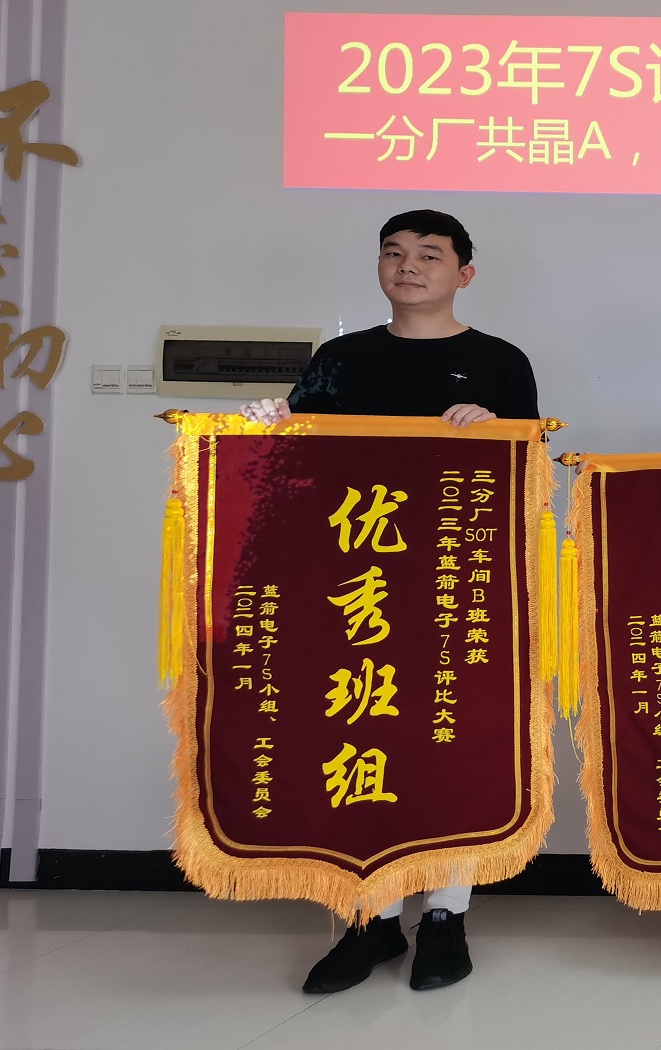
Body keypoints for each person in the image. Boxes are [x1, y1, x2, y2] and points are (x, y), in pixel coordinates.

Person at [238, 209, 539, 994]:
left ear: (464, 273)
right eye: (394, 253)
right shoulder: (339, 360)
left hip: (451, 589)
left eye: (429, 255)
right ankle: (369, 918)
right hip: (352, 590)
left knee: (449, 742)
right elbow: (292, 472)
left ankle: (445, 916)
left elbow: (527, 478)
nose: (408, 266)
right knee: (358, 734)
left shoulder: (498, 362)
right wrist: (267, 430)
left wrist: (496, 432)